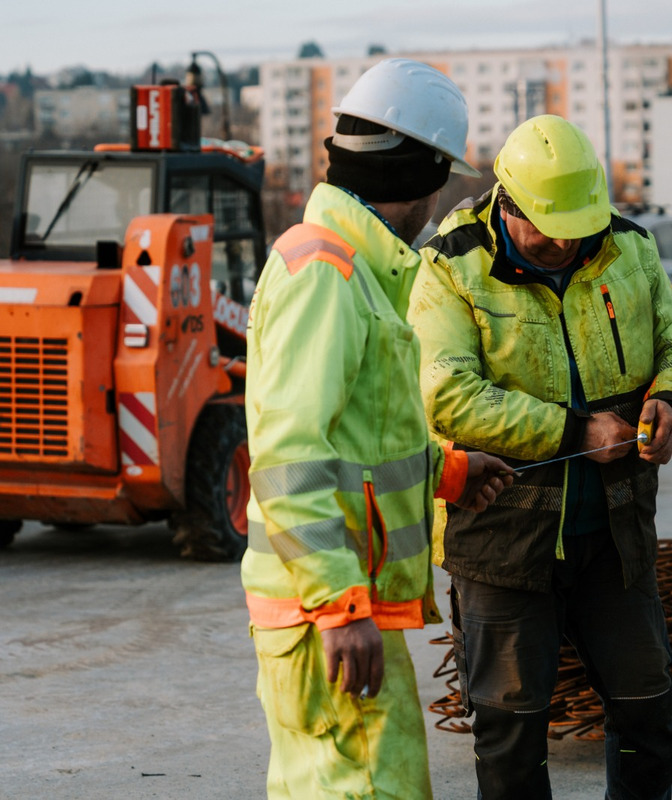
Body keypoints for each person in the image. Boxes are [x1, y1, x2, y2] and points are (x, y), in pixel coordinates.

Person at [410, 114, 672, 800]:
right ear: (506, 203)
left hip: (614, 533)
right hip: (502, 541)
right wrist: (575, 434)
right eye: (546, 227)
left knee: (647, 710)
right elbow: (445, 397)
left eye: (575, 226)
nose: (562, 243)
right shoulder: (450, 266)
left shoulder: (628, 250)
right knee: (511, 733)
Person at [241, 58, 513, 800]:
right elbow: (291, 456)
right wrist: (338, 606)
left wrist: (447, 471)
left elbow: (362, 440)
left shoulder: (356, 270)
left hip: (332, 604)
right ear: (421, 176)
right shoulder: (326, 274)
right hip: (324, 609)